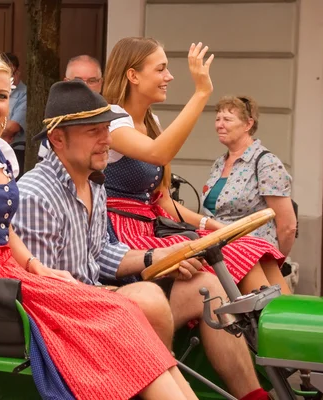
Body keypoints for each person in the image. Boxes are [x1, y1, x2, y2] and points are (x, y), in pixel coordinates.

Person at [0, 52, 199, 400]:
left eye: (1, 96)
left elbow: (1, 227)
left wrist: (36, 266)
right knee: (113, 315)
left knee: (123, 312)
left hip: (6, 273)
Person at [14, 79, 270, 400]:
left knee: (206, 287)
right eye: (94, 131)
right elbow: (45, 293)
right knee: (146, 297)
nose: (107, 140)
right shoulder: (37, 194)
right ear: (58, 139)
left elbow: (103, 253)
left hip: (93, 306)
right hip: (65, 326)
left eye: (107, 129)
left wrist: (159, 258)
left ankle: (253, 395)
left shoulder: (93, 183)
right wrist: (112, 293)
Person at [100, 37, 289, 296]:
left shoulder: (151, 121)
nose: (169, 76)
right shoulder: (112, 119)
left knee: (253, 247)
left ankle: (279, 330)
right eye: (160, 69)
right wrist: (201, 93)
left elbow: (163, 202)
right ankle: (264, 329)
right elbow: (158, 153)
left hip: (151, 227)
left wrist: (218, 228)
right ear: (132, 75)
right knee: (233, 256)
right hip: (121, 236)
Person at [203, 95, 297, 256]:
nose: (219, 125)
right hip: (217, 251)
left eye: (227, 119)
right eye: (217, 119)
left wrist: (276, 263)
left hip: (252, 255)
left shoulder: (266, 163)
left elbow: (288, 227)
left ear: (248, 124)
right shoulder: (219, 163)